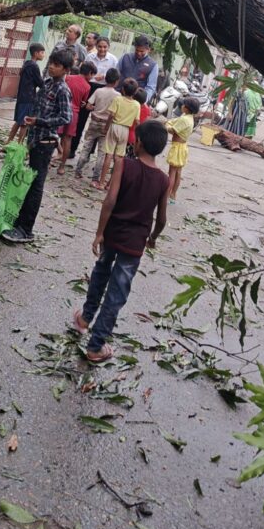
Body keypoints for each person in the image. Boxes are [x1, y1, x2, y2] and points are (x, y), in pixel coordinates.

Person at [72, 119, 169, 363]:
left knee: (100, 273)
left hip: (112, 234)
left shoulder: (123, 164)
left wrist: (99, 232)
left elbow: (110, 200)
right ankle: (96, 345)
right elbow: (161, 219)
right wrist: (153, 238)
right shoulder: (163, 180)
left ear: (138, 143)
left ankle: (85, 318)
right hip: (134, 244)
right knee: (117, 292)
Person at [1, 49, 73, 244]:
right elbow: (38, 107)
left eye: (57, 65)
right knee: (29, 182)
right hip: (34, 139)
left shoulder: (63, 90)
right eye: (51, 63)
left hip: (45, 142)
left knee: (36, 185)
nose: (51, 67)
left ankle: (26, 230)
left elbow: (66, 117)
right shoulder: (47, 83)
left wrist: (40, 121)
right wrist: (30, 119)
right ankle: (19, 222)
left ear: (66, 69)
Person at [70, 37, 118, 158]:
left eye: (105, 47)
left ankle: (89, 152)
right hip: (89, 87)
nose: (102, 49)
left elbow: (114, 74)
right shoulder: (90, 57)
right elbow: (84, 71)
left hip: (103, 90)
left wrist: (104, 76)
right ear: (96, 46)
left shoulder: (113, 60)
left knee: (99, 121)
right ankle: (72, 148)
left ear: (108, 47)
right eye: (100, 46)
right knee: (81, 119)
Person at [75, 68, 120, 183]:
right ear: (117, 82)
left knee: (86, 147)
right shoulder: (118, 96)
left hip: (94, 122)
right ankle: (95, 178)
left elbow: (88, 106)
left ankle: (78, 171)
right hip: (106, 125)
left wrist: (96, 108)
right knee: (101, 152)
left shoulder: (98, 91)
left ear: (105, 79)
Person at [97, 78, 140, 190]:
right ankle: (110, 184)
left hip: (114, 126)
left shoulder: (118, 99)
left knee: (108, 155)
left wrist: (106, 128)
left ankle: (101, 182)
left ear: (123, 90)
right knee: (118, 158)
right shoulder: (137, 105)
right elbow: (137, 122)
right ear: (135, 92)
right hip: (125, 130)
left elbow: (111, 115)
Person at [58, 61, 96, 176]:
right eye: (92, 75)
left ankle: (55, 154)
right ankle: (62, 166)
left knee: (54, 134)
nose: (92, 77)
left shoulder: (68, 78)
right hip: (74, 113)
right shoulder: (87, 86)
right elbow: (82, 102)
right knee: (68, 139)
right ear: (89, 73)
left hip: (61, 109)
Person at [6, 43, 45, 144]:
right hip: (28, 97)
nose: (43, 55)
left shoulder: (27, 64)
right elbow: (40, 83)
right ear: (36, 53)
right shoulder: (34, 66)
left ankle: (9, 142)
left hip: (21, 97)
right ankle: (19, 145)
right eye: (42, 52)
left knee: (18, 121)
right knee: (24, 123)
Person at [165, 96, 200, 200]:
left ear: (187, 108)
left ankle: (166, 195)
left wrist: (166, 126)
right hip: (183, 147)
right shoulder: (188, 117)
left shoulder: (184, 119)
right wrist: (169, 123)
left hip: (177, 147)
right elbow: (174, 121)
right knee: (178, 172)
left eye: (184, 105)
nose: (182, 106)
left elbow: (173, 130)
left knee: (172, 172)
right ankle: (173, 194)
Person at [117, 35, 158, 102]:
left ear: (148, 50)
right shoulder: (125, 57)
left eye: (142, 51)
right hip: (119, 96)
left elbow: (151, 87)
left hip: (136, 101)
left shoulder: (153, 65)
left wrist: (143, 101)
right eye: (137, 50)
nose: (139, 53)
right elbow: (117, 74)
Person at [126, 87, 151, 158]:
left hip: (127, 133)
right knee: (131, 157)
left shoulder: (131, 106)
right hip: (137, 137)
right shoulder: (147, 109)